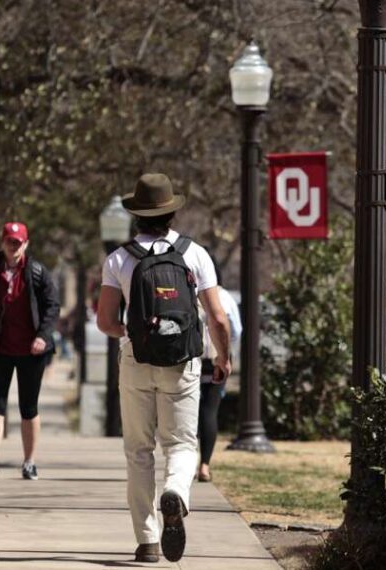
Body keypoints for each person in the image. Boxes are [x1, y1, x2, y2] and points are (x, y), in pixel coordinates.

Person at [96, 173, 231, 563]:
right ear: (171, 213)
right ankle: (176, 491)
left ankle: (148, 540)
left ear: (136, 215)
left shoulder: (118, 259)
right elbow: (218, 318)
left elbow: (105, 321)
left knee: (138, 451)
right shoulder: (195, 254)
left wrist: (131, 333)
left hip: (136, 361)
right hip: (183, 362)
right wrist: (223, 358)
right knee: (182, 444)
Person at [0, 222, 61, 481]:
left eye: (18, 242)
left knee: (29, 406)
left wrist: (42, 336)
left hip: (32, 350)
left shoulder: (37, 272)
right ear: (2, 243)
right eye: (9, 241)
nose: (13, 246)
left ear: (26, 244)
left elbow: (52, 307)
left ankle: (29, 462)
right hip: (0, 348)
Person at [197, 271, 241, 483]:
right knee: (209, 411)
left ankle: (182, 465)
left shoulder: (188, 293)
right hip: (217, 358)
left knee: (187, 413)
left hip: (189, 358)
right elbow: (235, 330)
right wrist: (224, 353)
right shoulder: (224, 297)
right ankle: (204, 465)